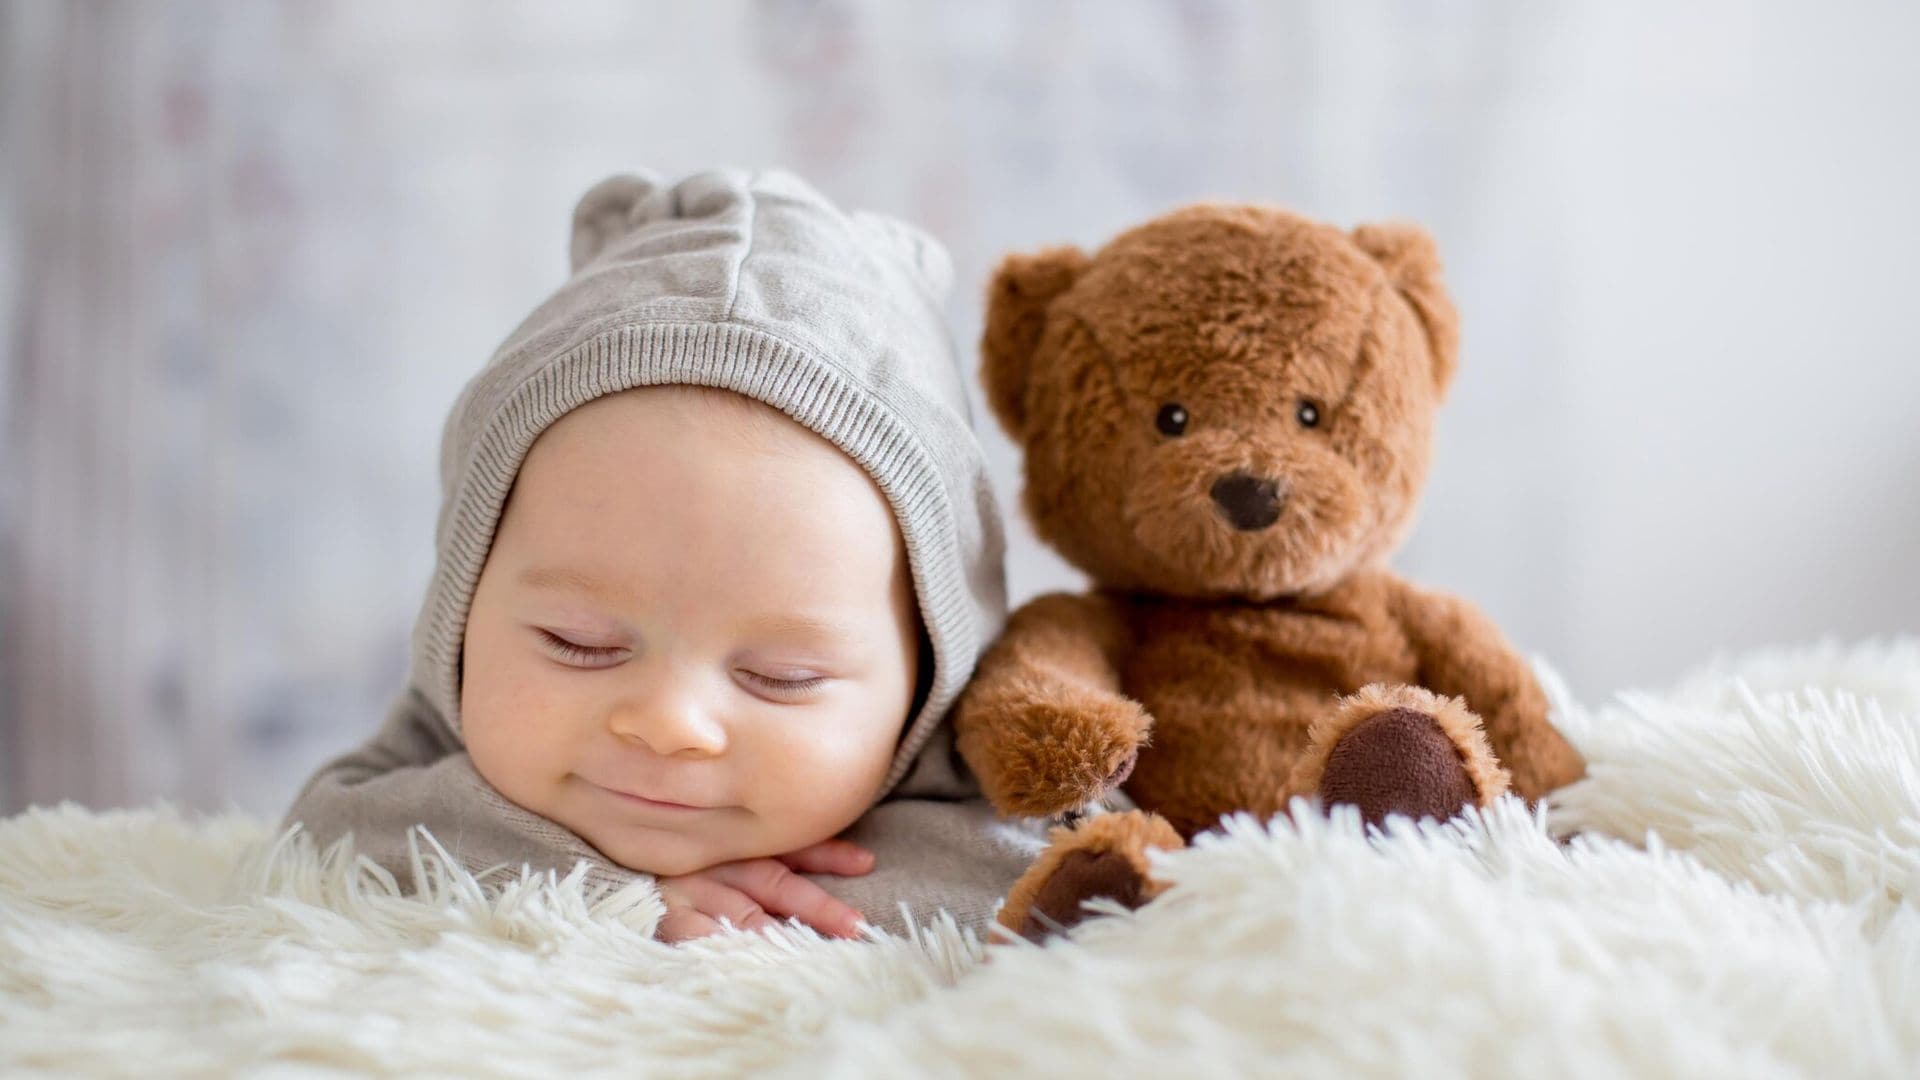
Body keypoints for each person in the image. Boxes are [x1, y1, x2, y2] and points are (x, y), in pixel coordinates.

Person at [282, 167, 1046, 941]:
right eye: (577, 643)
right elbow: (326, 835)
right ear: (466, 602)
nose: (668, 723)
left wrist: (797, 895)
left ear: (928, 670)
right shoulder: (433, 739)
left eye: (781, 678)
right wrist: (611, 890)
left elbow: (1062, 877)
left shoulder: (994, 762)